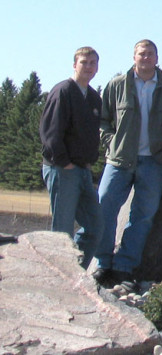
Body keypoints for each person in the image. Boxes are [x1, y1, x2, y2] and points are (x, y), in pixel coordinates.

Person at [92, 39, 162, 290]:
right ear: (134, 57)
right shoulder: (117, 84)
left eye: (150, 54)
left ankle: (124, 266)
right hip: (119, 160)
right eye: (142, 53)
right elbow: (103, 119)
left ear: (157, 57)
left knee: (143, 216)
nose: (146, 57)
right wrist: (111, 141)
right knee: (104, 206)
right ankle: (103, 262)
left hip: (154, 161)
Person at [39, 46, 103, 268]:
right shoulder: (63, 91)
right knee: (61, 232)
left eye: (92, 63)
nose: (88, 67)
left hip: (83, 170)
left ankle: (74, 273)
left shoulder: (94, 98)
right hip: (61, 169)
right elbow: (50, 133)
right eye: (84, 62)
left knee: (95, 227)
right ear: (74, 64)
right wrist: (64, 162)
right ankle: (57, 277)